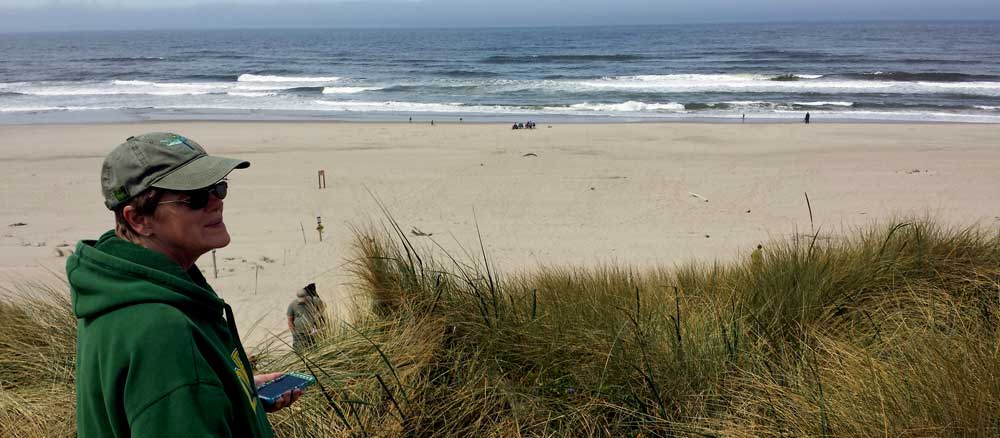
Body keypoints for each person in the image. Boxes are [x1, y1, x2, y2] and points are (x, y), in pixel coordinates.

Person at [68, 132, 301, 438]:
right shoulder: (162, 332)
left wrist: (227, 389)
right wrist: (184, 387)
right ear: (138, 219)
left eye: (219, 188)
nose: (216, 203)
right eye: (195, 197)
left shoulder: (115, 288)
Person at [287, 282, 326, 349]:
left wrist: (318, 314)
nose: (301, 301)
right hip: (299, 333)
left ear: (306, 296)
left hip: (311, 332)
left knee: (312, 348)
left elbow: (323, 306)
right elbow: (290, 320)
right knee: (299, 349)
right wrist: (293, 333)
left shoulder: (313, 300)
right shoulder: (292, 304)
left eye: (303, 299)